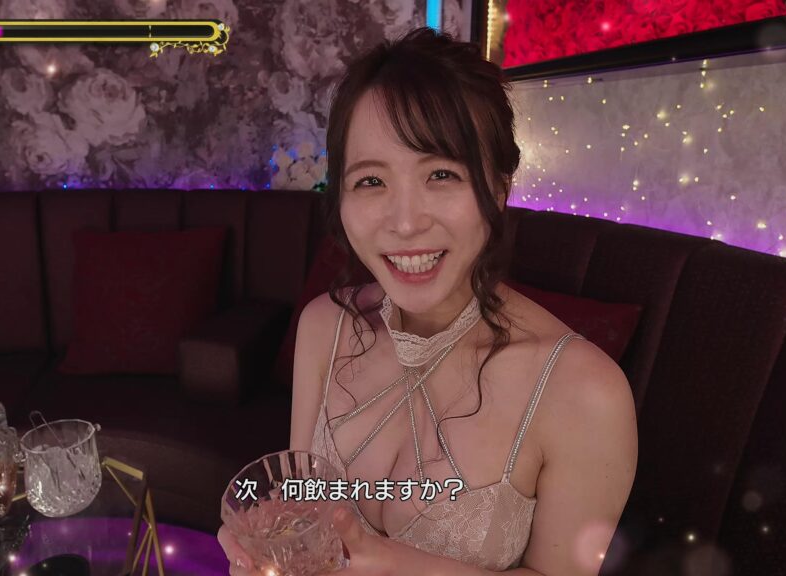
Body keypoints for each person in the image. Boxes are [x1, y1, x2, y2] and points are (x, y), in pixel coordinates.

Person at [219, 26, 637, 575]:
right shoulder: (324, 326)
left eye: (441, 174)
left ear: (499, 188)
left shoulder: (585, 392)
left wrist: (390, 562)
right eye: (371, 181)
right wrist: (272, 544)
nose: (405, 222)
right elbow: (307, 505)